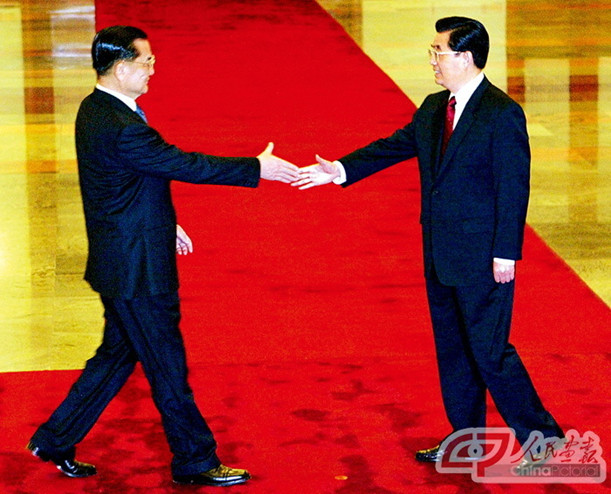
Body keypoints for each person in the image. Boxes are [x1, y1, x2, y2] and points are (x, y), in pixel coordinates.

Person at [27, 25, 299, 487]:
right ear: (121, 68)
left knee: (116, 356)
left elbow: (121, 181)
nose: (153, 69)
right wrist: (259, 167)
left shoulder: (97, 109)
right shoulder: (122, 127)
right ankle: (195, 460)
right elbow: (182, 163)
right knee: (167, 367)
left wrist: (163, 222)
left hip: (121, 259)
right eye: (146, 61)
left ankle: (54, 439)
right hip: (139, 272)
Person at [293, 16, 563, 462]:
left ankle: (546, 442)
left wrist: (505, 252)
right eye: (433, 51)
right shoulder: (436, 107)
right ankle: (467, 442)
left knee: (490, 353)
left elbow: (514, 186)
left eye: (439, 52)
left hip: (483, 257)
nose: (433, 60)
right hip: (440, 253)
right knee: (454, 351)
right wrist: (339, 170)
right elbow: (395, 145)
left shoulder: (501, 113)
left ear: (466, 57)